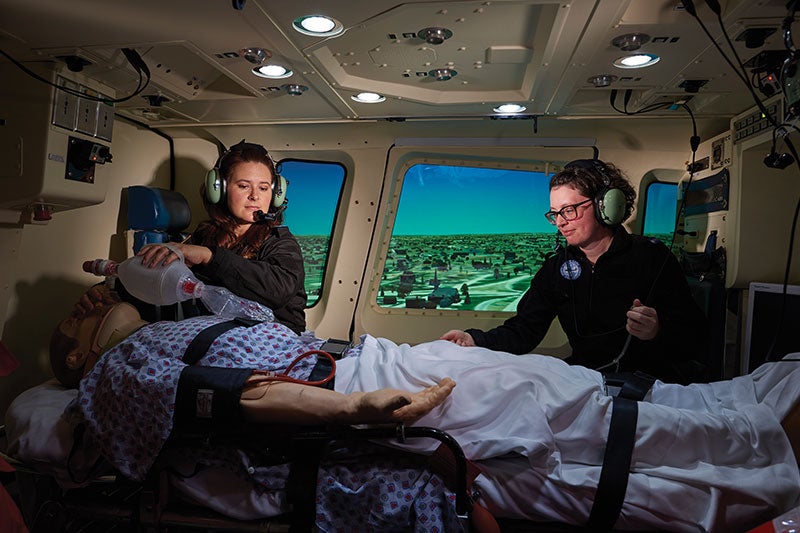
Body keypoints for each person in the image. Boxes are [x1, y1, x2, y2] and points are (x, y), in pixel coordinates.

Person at [70, 314, 800, 532]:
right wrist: (354, 408)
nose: (89, 302)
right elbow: (225, 399)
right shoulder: (116, 370)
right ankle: (765, 449)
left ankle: (751, 415)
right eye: (78, 314)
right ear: (77, 351)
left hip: (378, 361)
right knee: (571, 418)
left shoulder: (192, 312)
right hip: (371, 392)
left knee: (571, 390)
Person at [441, 159, 709, 383]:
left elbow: (695, 338)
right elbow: (524, 329)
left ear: (606, 205)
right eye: (555, 213)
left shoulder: (651, 257)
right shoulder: (557, 268)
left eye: (569, 210)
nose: (560, 222)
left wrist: (657, 329)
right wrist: (474, 339)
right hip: (585, 379)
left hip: (651, 380)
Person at [76, 140, 307, 334]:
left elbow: (279, 288)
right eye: (244, 186)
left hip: (273, 342)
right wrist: (110, 291)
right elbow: (162, 277)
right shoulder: (204, 237)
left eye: (264, 188)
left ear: (275, 194)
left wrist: (210, 257)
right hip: (217, 339)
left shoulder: (280, 243)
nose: (255, 196)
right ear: (220, 189)